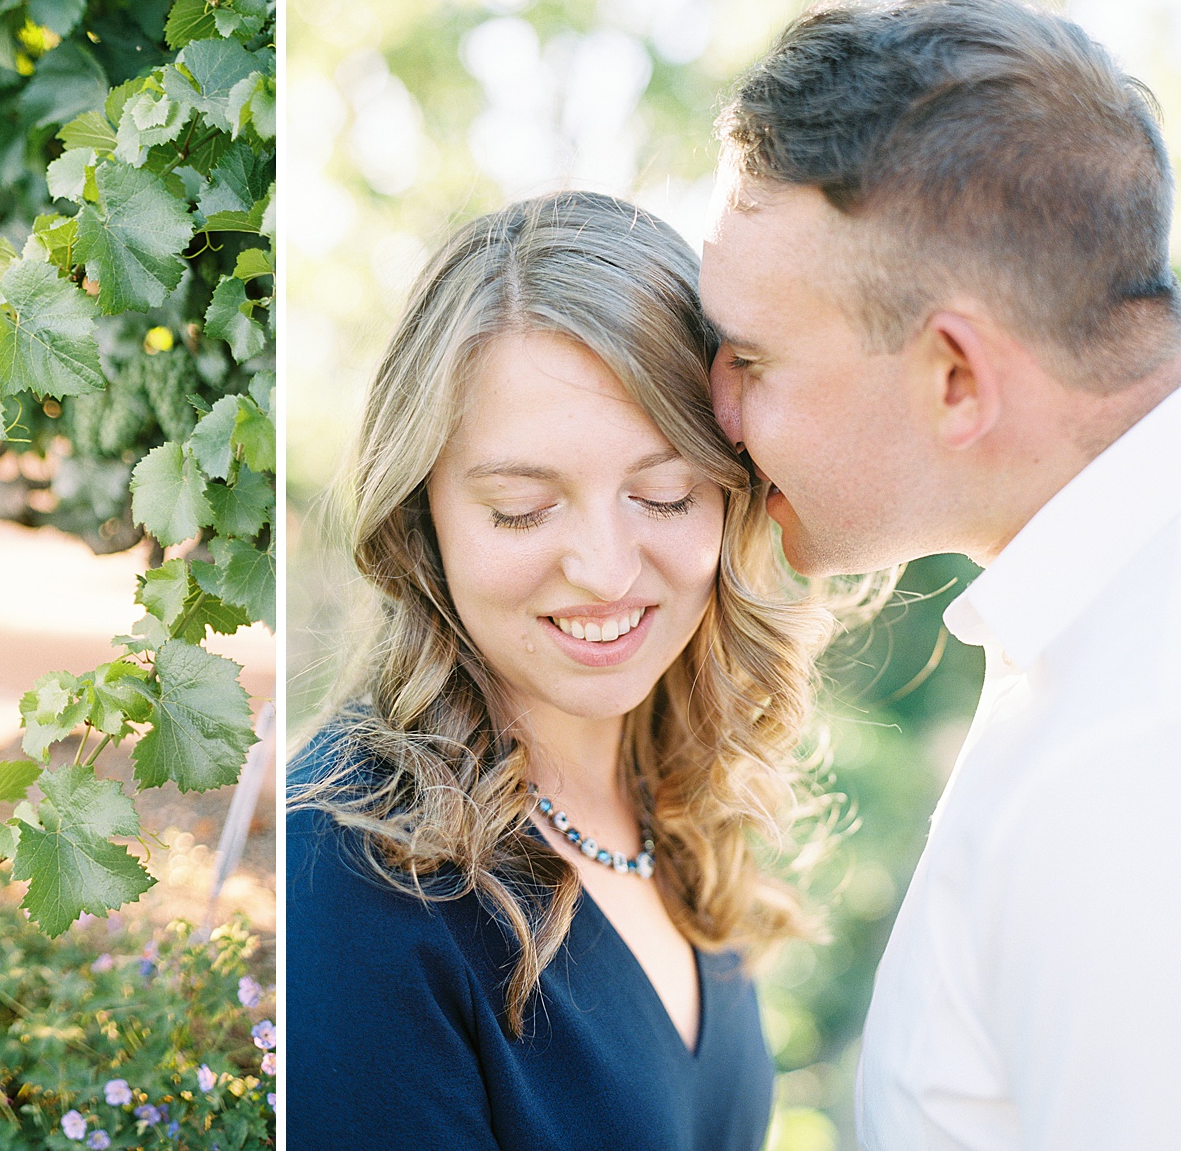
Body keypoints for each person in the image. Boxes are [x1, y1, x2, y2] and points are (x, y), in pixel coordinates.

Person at [702, 0, 1181, 1150]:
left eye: (752, 357)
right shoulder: (1094, 630)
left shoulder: (1124, 763)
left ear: (956, 377)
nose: (713, 409)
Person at [288, 190, 846, 1149]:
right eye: (522, 507)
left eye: (664, 495)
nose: (605, 567)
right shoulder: (353, 875)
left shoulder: (681, 813)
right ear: (424, 518)